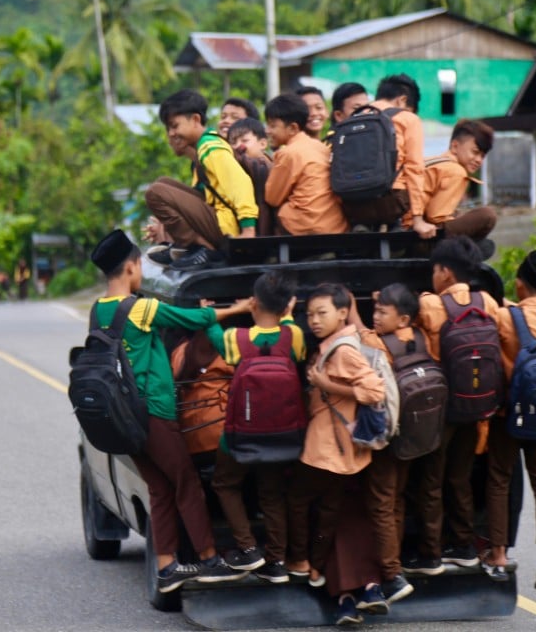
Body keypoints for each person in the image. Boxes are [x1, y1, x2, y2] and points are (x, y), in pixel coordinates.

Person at [89, 228, 252, 593]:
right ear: (131, 267)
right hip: (154, 412)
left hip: (122, 418)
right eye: (139, 265)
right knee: (187, 482)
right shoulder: (140, 308)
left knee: (161, 489)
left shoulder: (98, 310)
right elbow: (191, 320)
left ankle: (166, 567)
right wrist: (239, 308)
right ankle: (209, 559)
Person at [287, 283, 387, 622]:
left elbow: (374, 390)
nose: (313, 320)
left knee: (316, 508)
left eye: (321, 313)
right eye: (310, 314)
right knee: (338, 514)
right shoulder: (340, 343)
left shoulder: (343, 350)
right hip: (341, 448)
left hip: (332, 447)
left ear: (343, 313)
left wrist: (324, 384)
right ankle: (346, 587)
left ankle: (310, 565)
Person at [406, 236, 500, 575]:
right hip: (475, 407)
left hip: (441, 408)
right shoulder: (486, 302)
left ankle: (431, 552)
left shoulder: (431, 306)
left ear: (444, 271)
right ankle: (463, 545)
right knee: (459, 477)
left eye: (435, 269)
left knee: (431, 480)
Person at [207, 271, 305, 584]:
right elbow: (293, 341)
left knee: (225, 483)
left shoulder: (235, 340)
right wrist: (287, 315)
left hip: (240, 434)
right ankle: (276, 561)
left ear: (254, 302)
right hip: (282, 433)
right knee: (272, 493)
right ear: (285, 306)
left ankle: (248, 548)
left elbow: (208, 328)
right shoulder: (294, 336)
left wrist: (223, 310)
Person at [484, 250, 536, 590]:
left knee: (500, 480)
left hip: (509, 413)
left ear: (518, 285)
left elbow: (504, 319)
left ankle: (499, 554)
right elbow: (534, 317)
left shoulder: (505, 318)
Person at [346, 283, 421, 605]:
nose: (375, 316)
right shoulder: (417, 338)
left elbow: (359, 331)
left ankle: (391, 575)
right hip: (414, 435)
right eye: (374, 310)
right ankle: (396, 561)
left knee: (380, 503)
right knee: (396, 501)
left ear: (402, 319)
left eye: (382, 312)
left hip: (387, 437)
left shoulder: (375, 343)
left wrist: (350, 306)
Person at [145, 89, 258, 272]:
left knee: (155, 192)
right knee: (163, 183)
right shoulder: (202, 149)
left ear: (196, 120)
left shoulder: (211, 147)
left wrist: (248, 230)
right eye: (168, 129)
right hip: (218, 221)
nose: (171, 133)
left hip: (227, 227)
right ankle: (189, 246)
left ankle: (203, 248)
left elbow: (240, 184)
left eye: (175, 126)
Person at [342, 74, 435, 239]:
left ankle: (364, 224)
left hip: (352, 203)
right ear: (402, 100)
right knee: (413, 178)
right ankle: (395, 225)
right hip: (391, 202)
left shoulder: (354, 118)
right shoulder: (408, 119)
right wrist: (418, 219)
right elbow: (414, 168)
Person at [263, 93, 348, 235]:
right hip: (336, 225)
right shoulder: (321, 147)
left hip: (307, 226)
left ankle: (270, 254)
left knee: (275, 208)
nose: (267, 131)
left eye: (273, 126)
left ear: (292, 128)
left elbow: (272, 198)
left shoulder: (288, 153)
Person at [422, 119, 498, 255]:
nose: (479, 160)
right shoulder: (456, 171)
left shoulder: (432, 161)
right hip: (420, 239)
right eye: (475, 152)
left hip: (405, 231)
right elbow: (436, 217)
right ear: (455, 146)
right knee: (487, 216)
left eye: (482, 155)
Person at [227, 117, 276, 236]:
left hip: (265, 233)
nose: (238, 146)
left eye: (244, 140)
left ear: (263, 144)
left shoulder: (264, 165)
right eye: (233, 142)